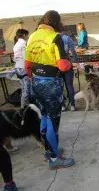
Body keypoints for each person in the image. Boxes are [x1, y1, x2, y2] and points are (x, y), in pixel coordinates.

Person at [25, 10, 74, 169]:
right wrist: (70, 63)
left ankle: (49, 150)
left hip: (36, 82)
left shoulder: (32, 36)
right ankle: (55, 158)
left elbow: (27, 65)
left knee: (45, 117)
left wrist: (35, 78)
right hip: (52, 83)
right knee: (53, 121)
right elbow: (62, 65)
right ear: (55, 22)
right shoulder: (55, 37)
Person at [60, 28, 79, 111]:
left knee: (59, 86)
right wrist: (76, 60)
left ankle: (63, 106)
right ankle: (72, 105)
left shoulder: (52, 38)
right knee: (69, 85)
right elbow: (73, 51)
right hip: (67, 62)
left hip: (57, 64)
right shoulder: (67, 38)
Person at [13, 29, 30, 108]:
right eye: (27, 35)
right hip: (23, 67)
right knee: (26, 88)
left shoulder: (16, 44)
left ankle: (23, 105)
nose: (27, 37)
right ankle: (25, 107)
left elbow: (14, 58)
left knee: (23, 87)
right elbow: (26, 57)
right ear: (24, 35)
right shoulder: (23, 43)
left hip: (17, 67)